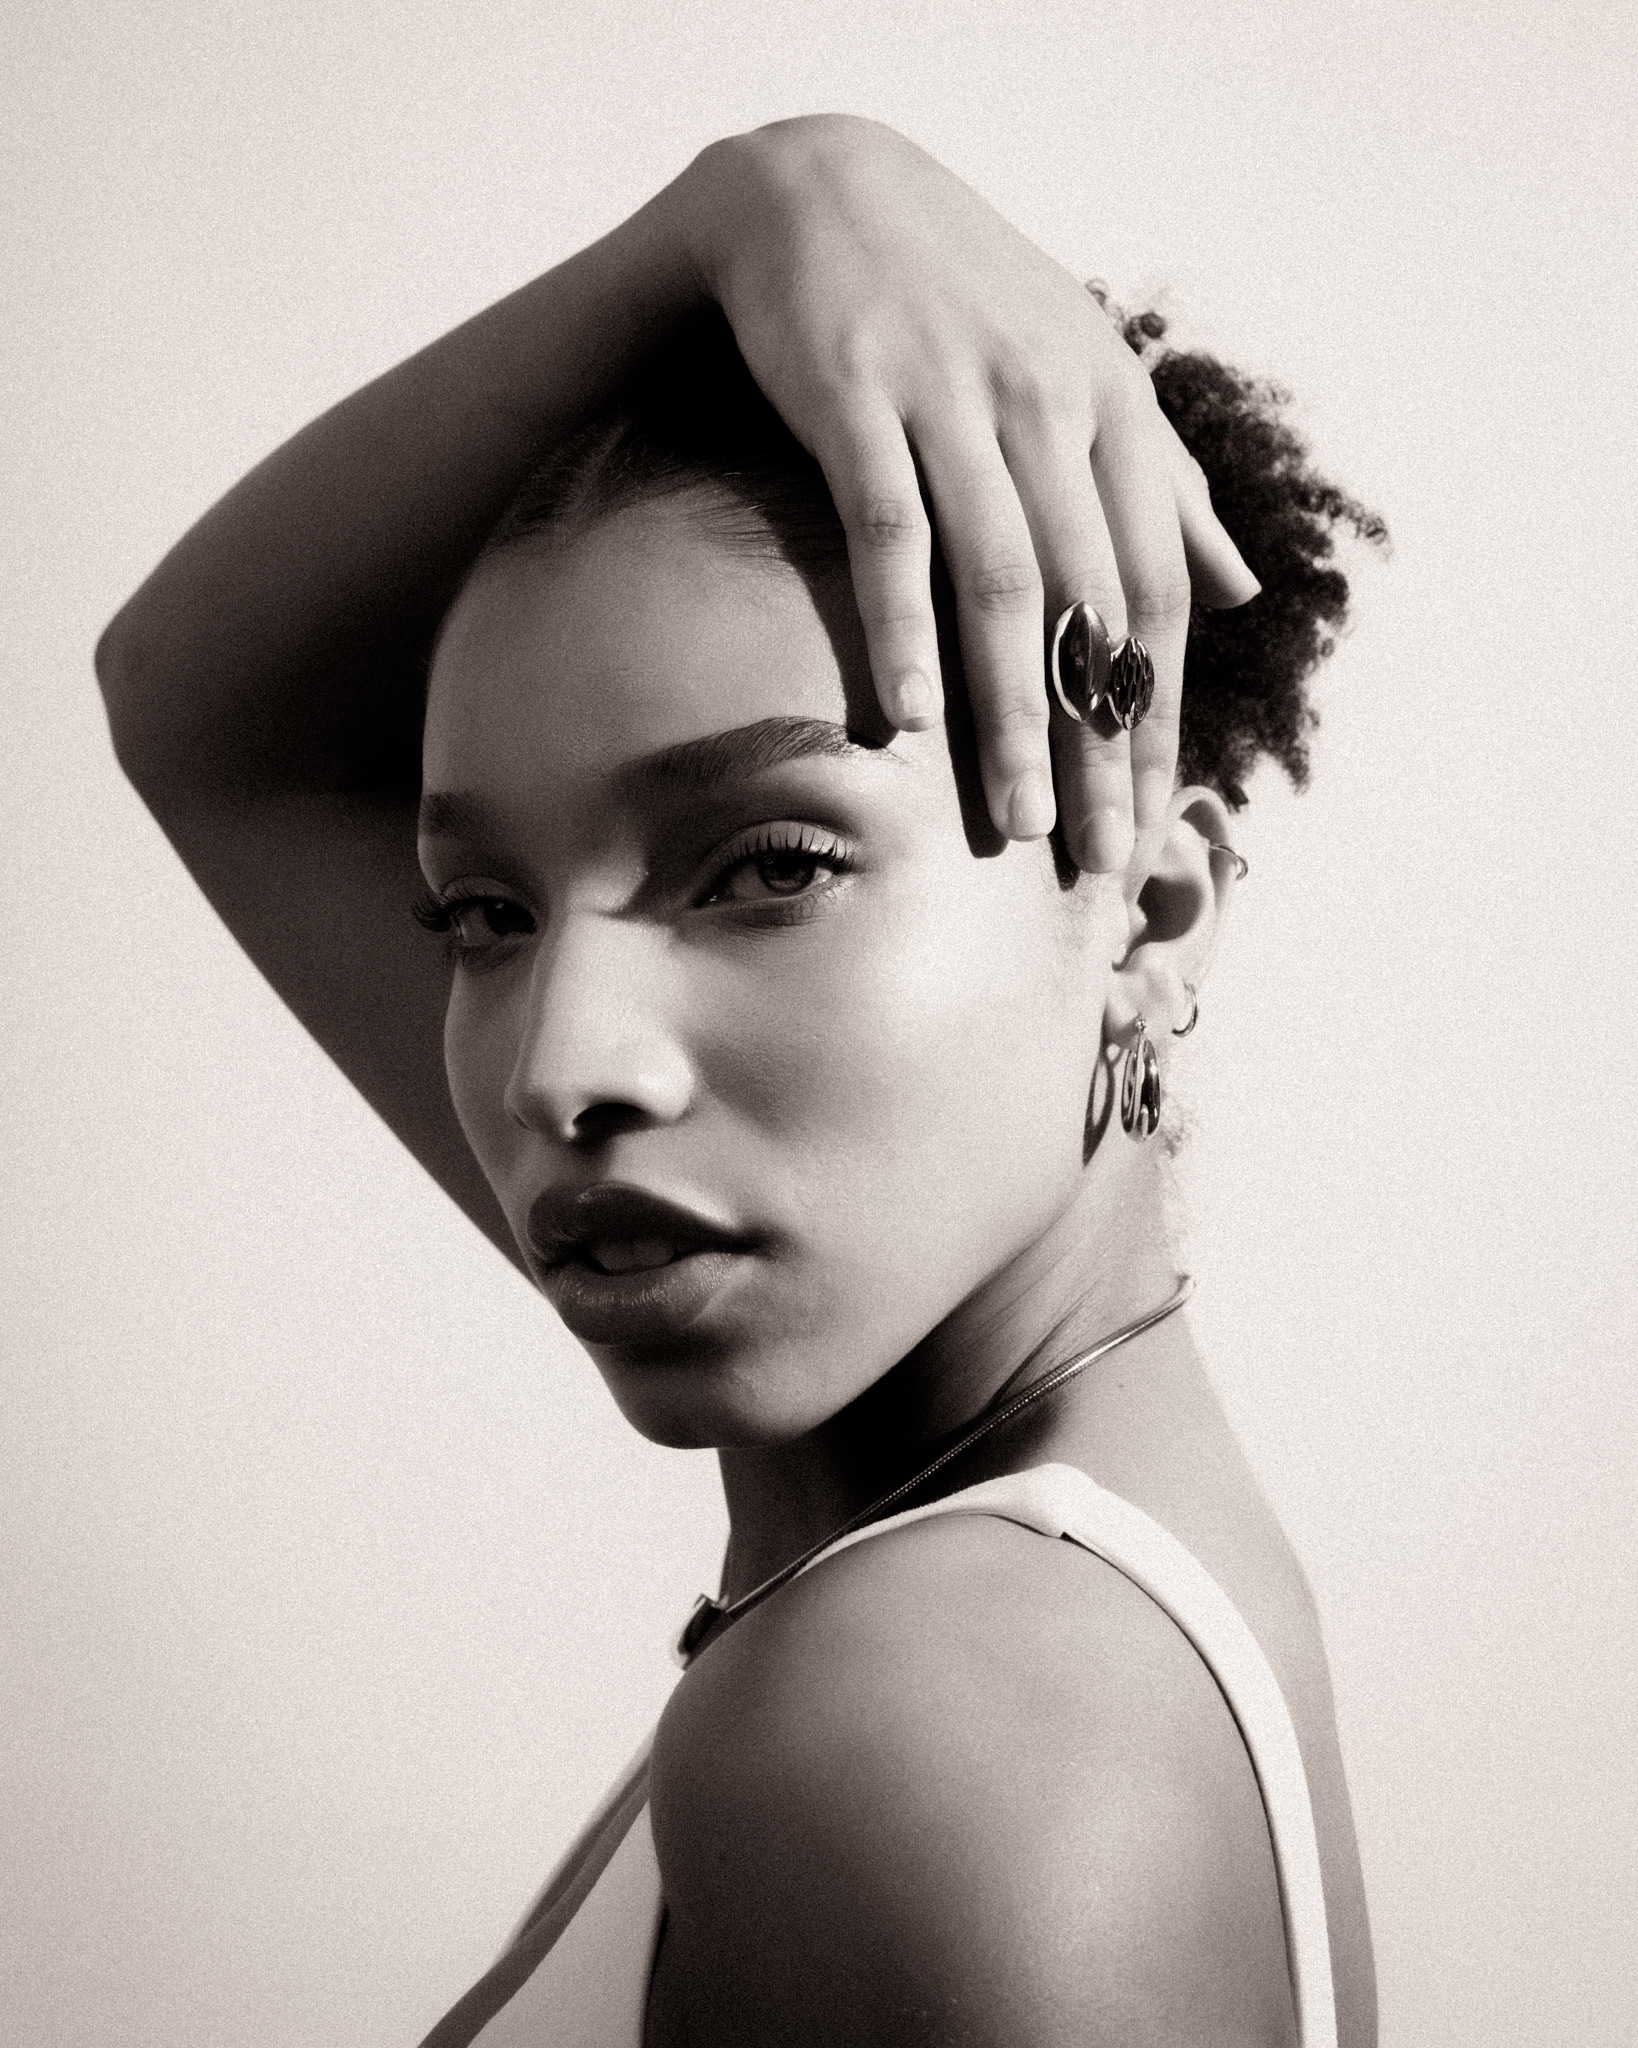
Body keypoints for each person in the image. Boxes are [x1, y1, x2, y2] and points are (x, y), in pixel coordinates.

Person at [96, 115, 1382, 2048]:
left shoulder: (917, 1720)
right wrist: (758, 197)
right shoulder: (1043, 1579)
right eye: (480, 914)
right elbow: (197, 707)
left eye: (767, 869)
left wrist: (752, 204)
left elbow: (204, 709)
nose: (562, 1069)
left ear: (1144, 909)